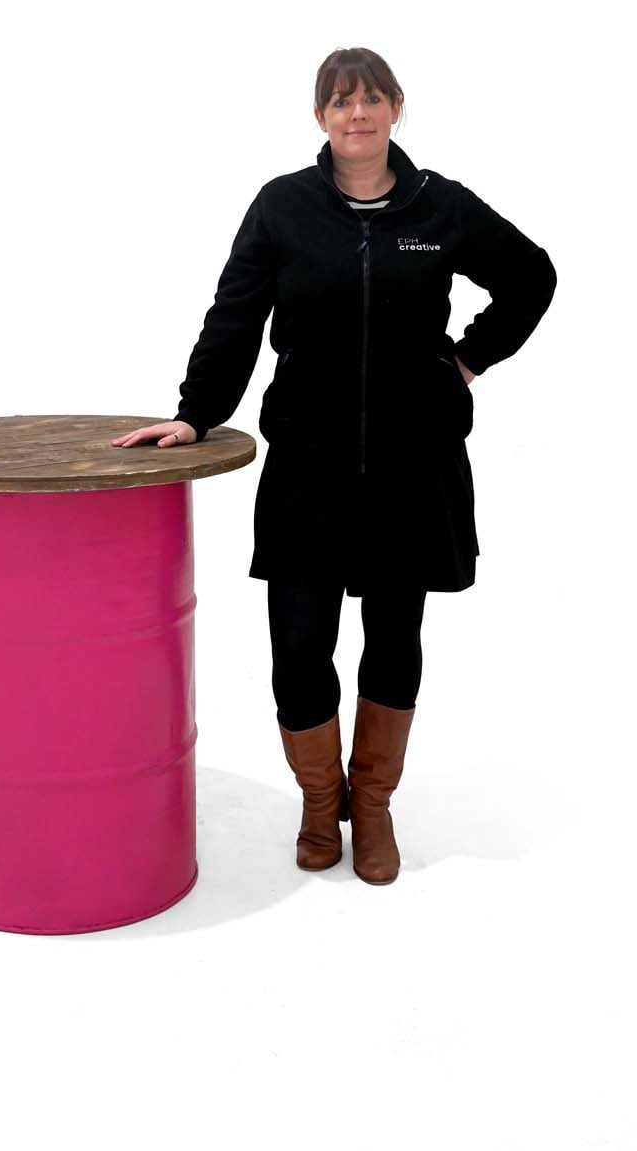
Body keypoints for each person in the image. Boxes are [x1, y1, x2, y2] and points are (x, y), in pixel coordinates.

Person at [109, 46, 556, 886]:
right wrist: (196, 410)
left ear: (396, 108)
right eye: (342, 100)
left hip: (412, 463)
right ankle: (322, 800)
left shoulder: (440, 206)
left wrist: (465, 361)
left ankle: (374, 803)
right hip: (308, 464)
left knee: (394, 638)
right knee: (299, 643)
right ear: (320, 116)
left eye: (373, 98)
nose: (359, 113)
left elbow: (532, 276)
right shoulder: (283, 207)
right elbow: (235, 316)